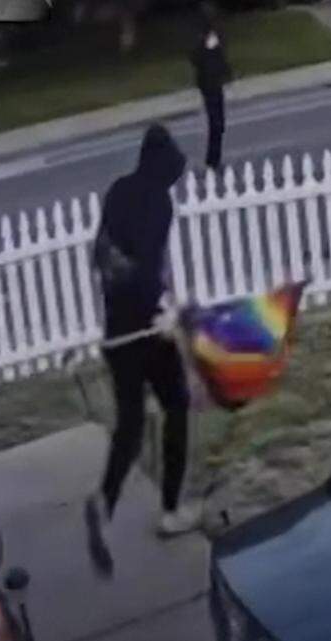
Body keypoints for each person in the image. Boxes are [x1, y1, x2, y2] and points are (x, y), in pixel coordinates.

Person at [86, 125, 197, 578]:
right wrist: (161, 314)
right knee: (177, 405)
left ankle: (105, 500)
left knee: (130, 423)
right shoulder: (157, 201)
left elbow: (101, 255)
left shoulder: (118, 191)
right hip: (146, 328)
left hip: (116, 331)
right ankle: (171, 511)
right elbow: (148, 265)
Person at [190, 12, 233, 170]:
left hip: (214, 84)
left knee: (218, 123)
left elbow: (220, 59)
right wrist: (208, 48)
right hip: (209, 85)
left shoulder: (214, 42)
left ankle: (214, 159)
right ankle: (213, 160)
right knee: (216, 123)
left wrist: (226, 74)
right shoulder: (202, 44)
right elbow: (197, 59)